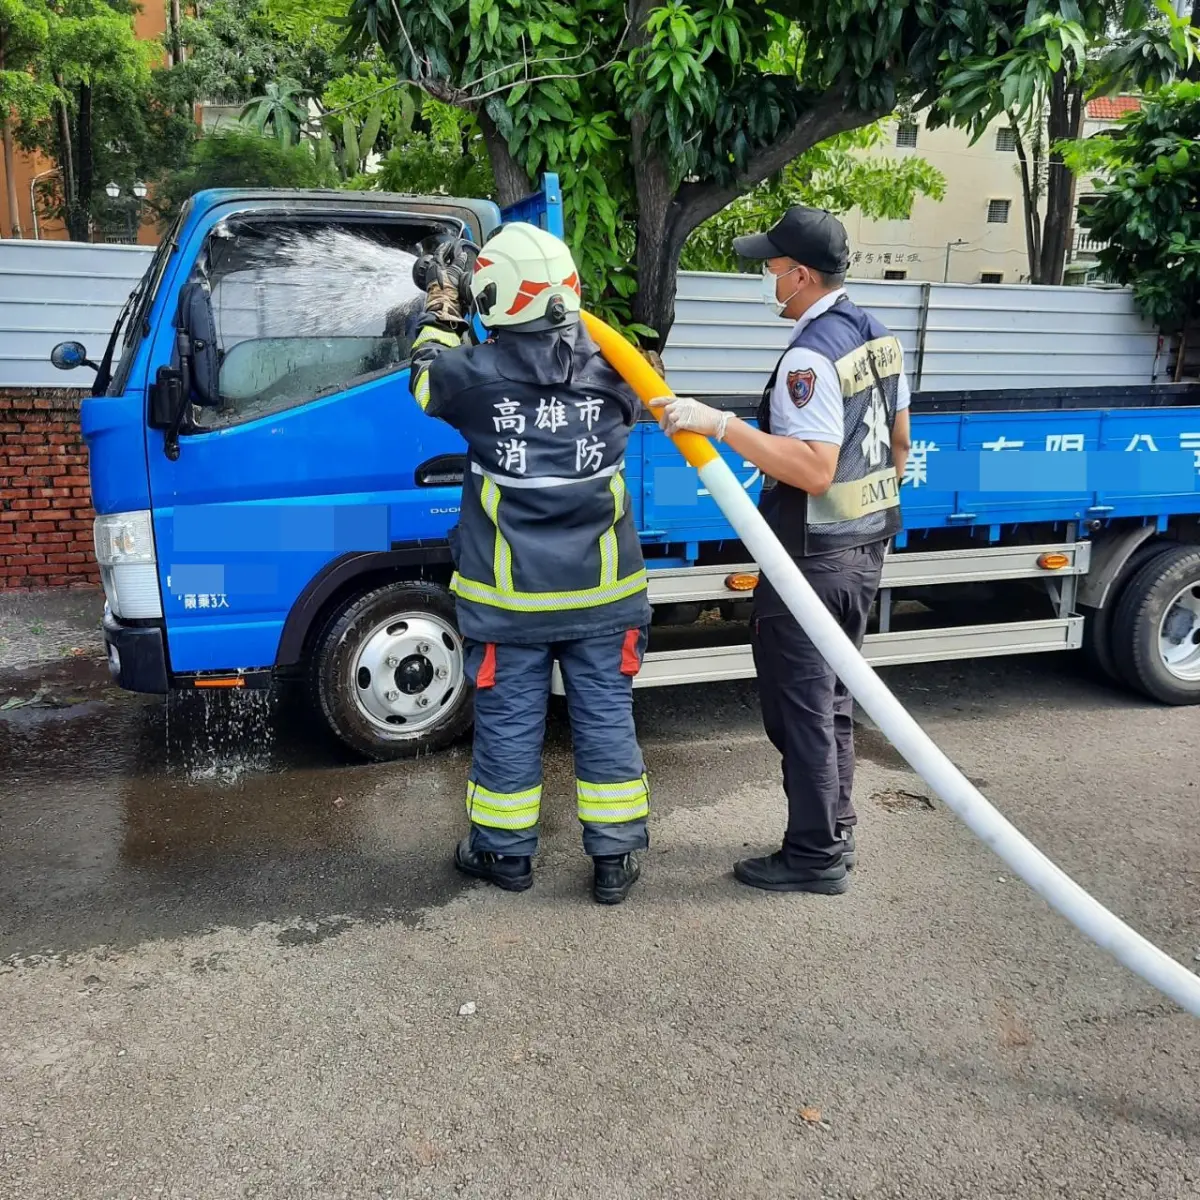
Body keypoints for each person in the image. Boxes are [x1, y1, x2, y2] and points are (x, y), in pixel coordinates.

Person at [652, 207, 911, 895]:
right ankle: (834, 829)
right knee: (829, 703)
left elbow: (814, 468)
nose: (768, 276)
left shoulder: (809, 354)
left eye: (773, 266)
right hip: (863, 548)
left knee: (800, 710)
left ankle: (814, 856)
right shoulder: (878, 335)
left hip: (812, 559)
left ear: (800, 274)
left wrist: (721, 424)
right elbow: (902, 442)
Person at [408, 223, 652, 905]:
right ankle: (614, 861)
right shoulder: (614, 366)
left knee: (511, 722)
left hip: (509, 599)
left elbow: (425, 381)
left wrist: (441, 306)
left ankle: (504, 854)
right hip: (605, 594)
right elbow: (644, 385)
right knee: (605, 718)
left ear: (495, 294)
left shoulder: (475, 375)